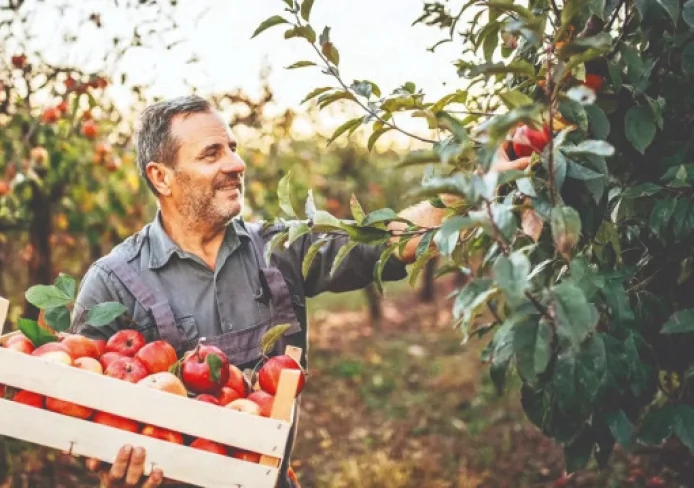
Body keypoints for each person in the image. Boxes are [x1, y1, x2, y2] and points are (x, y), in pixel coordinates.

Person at [69, 95, 525, 487]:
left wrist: (474, 191)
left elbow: (388, 240)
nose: (236, 163)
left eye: (233, 148)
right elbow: (77, 413)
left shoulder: (281, 248)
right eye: (212, 154)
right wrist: (110, 466)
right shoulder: (114, 282)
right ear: (162, 176)